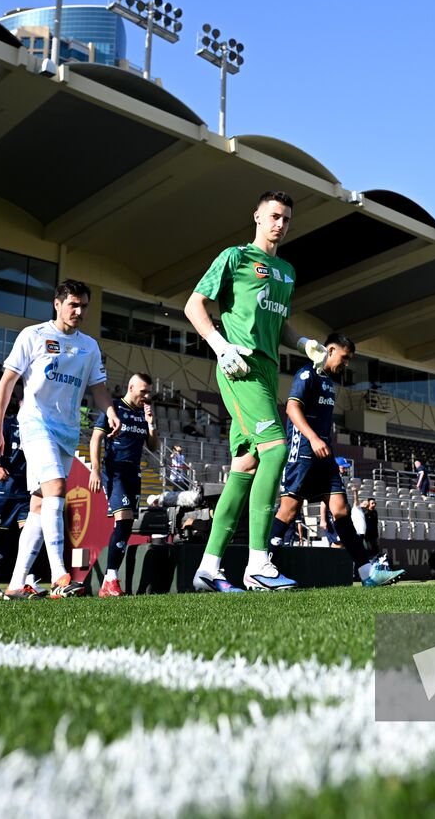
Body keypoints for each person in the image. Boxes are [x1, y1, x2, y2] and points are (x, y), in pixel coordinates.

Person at [182, 191, 328, 593]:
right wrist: (220, 345)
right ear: (258, 218)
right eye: (274, 216)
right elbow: (194, 306)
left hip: (267, 371)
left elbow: (279, 324)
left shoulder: (286, 271)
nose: (280, 224)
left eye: (286, 219)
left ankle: (208, 568)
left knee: (245, 466)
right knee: (277, 450)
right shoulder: (234, 257)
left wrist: (303, 345)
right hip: (239, 365)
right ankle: (258, 564)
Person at [0, 280, 117, 600]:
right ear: (57, 304)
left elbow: (98, 388)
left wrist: (111, 411)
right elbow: (7, 382)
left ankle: (16, 584)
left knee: (39, 505)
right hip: (35, 424)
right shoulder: (33, 335)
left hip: (67, 432)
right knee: (57, 487)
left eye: (84, 306)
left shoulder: (89, 346)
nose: (79, 311)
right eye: (73, 304)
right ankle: (61, 573)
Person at [268, 335, 402, 588]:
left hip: (324, 455)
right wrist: (313, 439)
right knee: (288, 511)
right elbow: (291, 409)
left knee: (340, 510)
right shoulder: (306, 374)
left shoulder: (329, 382)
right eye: (345, 357)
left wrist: (325, 444)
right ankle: (262, 567)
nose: (347, 364)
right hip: (305, 451)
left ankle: (367, 574)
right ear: (330, 350)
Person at [89, 372, 159, 597]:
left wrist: (151, 424)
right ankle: (111, 579)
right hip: (115, 472)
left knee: (126, 526)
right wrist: (96, 470)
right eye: (143, 392)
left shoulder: (142, 413)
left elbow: (154, 446)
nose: (146, 396)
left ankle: (108, 581)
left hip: (134, 474)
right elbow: (96, 438)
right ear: (131, 388)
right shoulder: (114, 408)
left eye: (149, 392)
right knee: (124, 519)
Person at [0, 414, 29, 599]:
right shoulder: (7, 425)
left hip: (27, 492)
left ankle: (24, 583)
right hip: (5, 491)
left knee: (28, 536)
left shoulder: (42, 424)